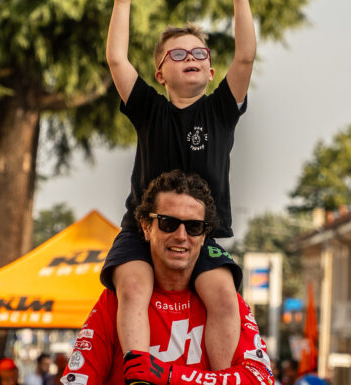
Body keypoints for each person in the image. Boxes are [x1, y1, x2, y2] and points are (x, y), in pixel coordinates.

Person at [104, 0, 257, 371]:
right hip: (141, 234)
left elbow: (246, 57)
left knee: (224, 297)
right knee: (134, 289)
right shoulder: (149, 109)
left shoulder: (220, 110)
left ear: (211, 69)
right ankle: (138, 374)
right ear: (159, 73)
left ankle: (219, 377)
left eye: (198, 52)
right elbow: (117, 60)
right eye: (177, 53)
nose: (190, 56)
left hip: (200, 235)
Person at [62, 170, 273, 385]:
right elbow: (75, 381)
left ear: (204, 237)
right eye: (168, 223)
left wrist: (168, 375)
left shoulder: (227, 300)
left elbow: (261, 379)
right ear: (146, 227)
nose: (181, 236)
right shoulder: (115, 302)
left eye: (194, 227)